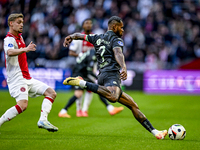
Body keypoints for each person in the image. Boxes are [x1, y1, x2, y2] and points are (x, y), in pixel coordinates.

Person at [62, 16, 168, 139]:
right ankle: (82, 83)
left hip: (102, 75)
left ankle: (156, 133)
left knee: (133, 105)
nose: (122, 30)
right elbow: (118, 53)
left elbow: (80, 36)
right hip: (111, 74)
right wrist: (123, 66)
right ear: (114, 27)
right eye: (121, 27)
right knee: (113, 97)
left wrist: (71, 36)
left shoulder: (97, 37)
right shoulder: (116, 39)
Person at [0, 13, 58, 132]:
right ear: (11, 23)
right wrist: (26, 49)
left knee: (51, 93)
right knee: (22, 105)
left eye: (22, 22)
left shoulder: (20, 37)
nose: (22, 24)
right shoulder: (9, 39)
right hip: (17, 78)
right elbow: (9, 52)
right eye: (18, 22)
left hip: (27, 77)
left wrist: (25, 48)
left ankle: (43, 120)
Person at [60, 18, 123, 117]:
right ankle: (77, 110)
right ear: (83, 26)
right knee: (86, 89)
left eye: (90, 23)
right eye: (86, 23)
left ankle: (84, 110)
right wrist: (82, 55)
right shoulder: (79, 40)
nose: (89, 25)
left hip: (92, 67)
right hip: (81, 68)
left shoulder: (95, 37)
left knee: (91, 89)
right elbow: (71, 52)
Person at [58, 49, 124, 118]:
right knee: (80, 94)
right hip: (80, 74)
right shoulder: (92, 56)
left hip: (82, 73)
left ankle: (110, 108)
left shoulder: (91, 52)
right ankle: (63, 111)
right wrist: (98, 78)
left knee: (98, 89)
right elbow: (89, 71)